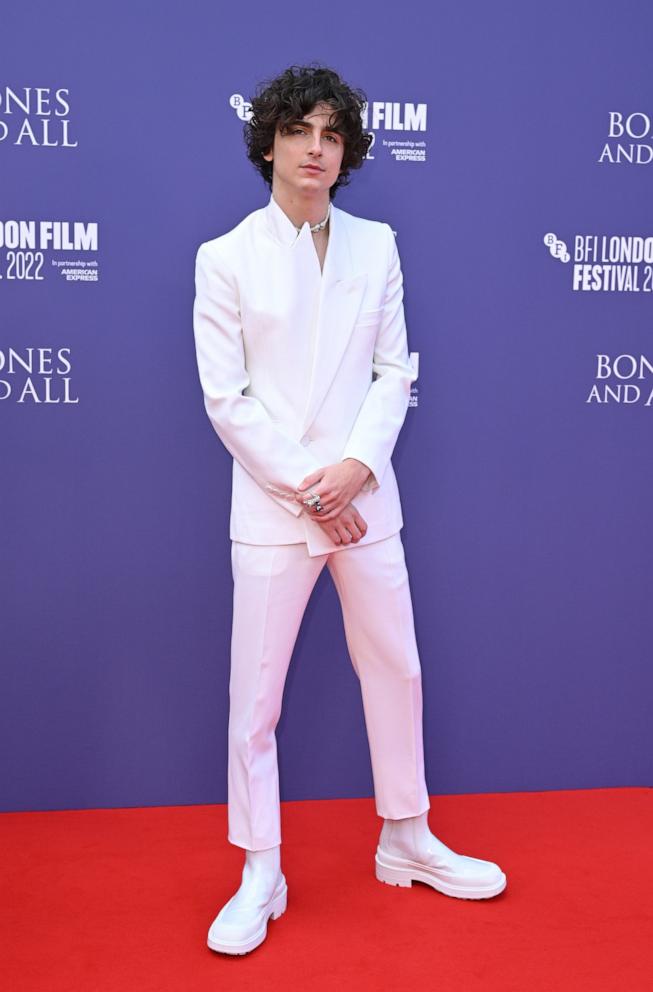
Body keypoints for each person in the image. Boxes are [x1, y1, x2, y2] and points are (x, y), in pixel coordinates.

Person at [192, 64, 506, 956]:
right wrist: (310, 487)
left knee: (395, 669)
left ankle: (405, 836)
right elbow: (228, 400)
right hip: (276, 510)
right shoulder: (224, 258)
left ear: (346, 152)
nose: (316, 150)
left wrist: (357, 469)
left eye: (332, 136)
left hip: (367, 504)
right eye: (301, 133)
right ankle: (261, 869)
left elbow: (393, 371)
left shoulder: (379, 244)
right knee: (253, 702)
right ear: (270, 144)